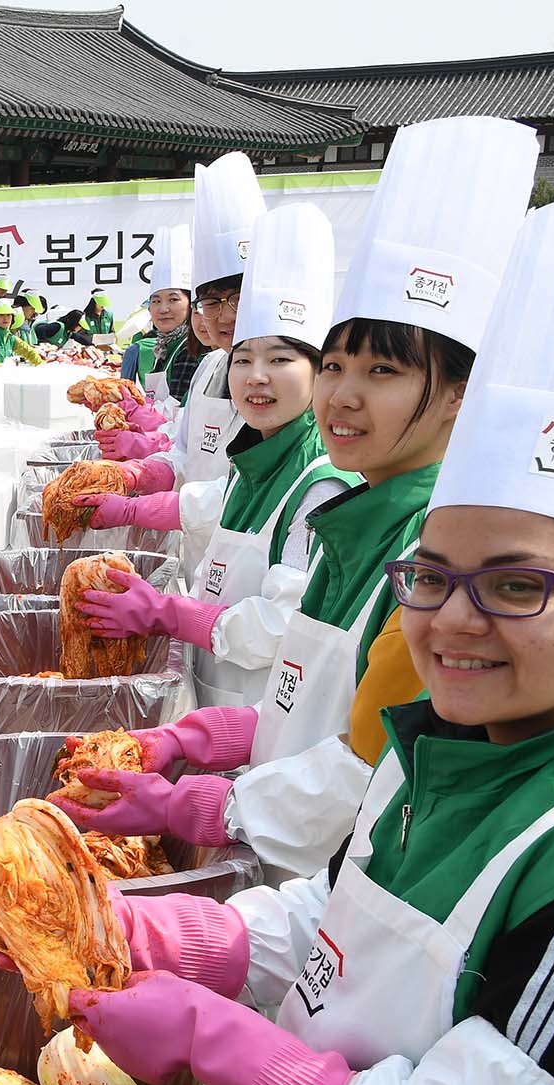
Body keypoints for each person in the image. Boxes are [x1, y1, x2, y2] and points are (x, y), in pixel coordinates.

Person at [51, 184, 554, 1085]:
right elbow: (344, 930)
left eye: (518, 583)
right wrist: (193, 941)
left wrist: (216, 1038)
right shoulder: (447, 736)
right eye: (429, 574)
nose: (452, 618)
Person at [57, 118, 540, 880]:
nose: (343, 396)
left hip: (323, 867)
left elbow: (368, 768)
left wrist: (201, 802)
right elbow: (310, 707)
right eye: (339, 367)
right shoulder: (358, 511)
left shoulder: (428, 557)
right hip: (276, 843)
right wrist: (196, 739)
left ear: (458, 393)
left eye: (382, 374)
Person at [69, 204, 358, 710]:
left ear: (323, 373)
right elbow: (210, 495)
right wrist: (134, 480)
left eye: (281, 360)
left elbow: (283, 623)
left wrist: (171, 613)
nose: (255, 376)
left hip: (259, 707)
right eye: (243, 360)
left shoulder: (323, 482)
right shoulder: (257, 449)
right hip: (214, 671)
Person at [95, 153, 268, 582]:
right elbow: (185, 452)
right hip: (200, 561)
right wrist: (140, 471)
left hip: (254, 570)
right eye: (211, 301)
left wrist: (136, 505)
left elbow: (242, 496)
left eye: (238, 297)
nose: (224, 316)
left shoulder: (298, 393)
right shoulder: (211, 367)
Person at [120, 228, 196, 398]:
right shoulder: (162, 346)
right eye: (156, 301)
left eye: (173, 299)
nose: (163, 309)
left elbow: (178, 411)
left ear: (190, 303)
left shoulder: (191, 348)